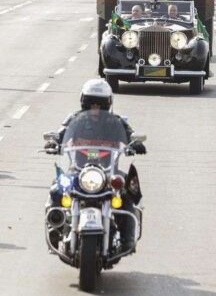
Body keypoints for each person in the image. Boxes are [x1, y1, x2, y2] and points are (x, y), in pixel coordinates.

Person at [44, 79, 146, 250]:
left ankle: (128, 238)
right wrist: (54, 142)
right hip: (77, 171)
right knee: (57, 188)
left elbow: (130, 133)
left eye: (100, 104)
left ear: (108, 104)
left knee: (128, 191)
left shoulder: (116, 121)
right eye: (91, 103)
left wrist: (135, 143)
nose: (95, 108)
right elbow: (61, 134)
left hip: (108, 172)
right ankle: (55, 229)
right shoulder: (74, 119)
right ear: (84, 102)